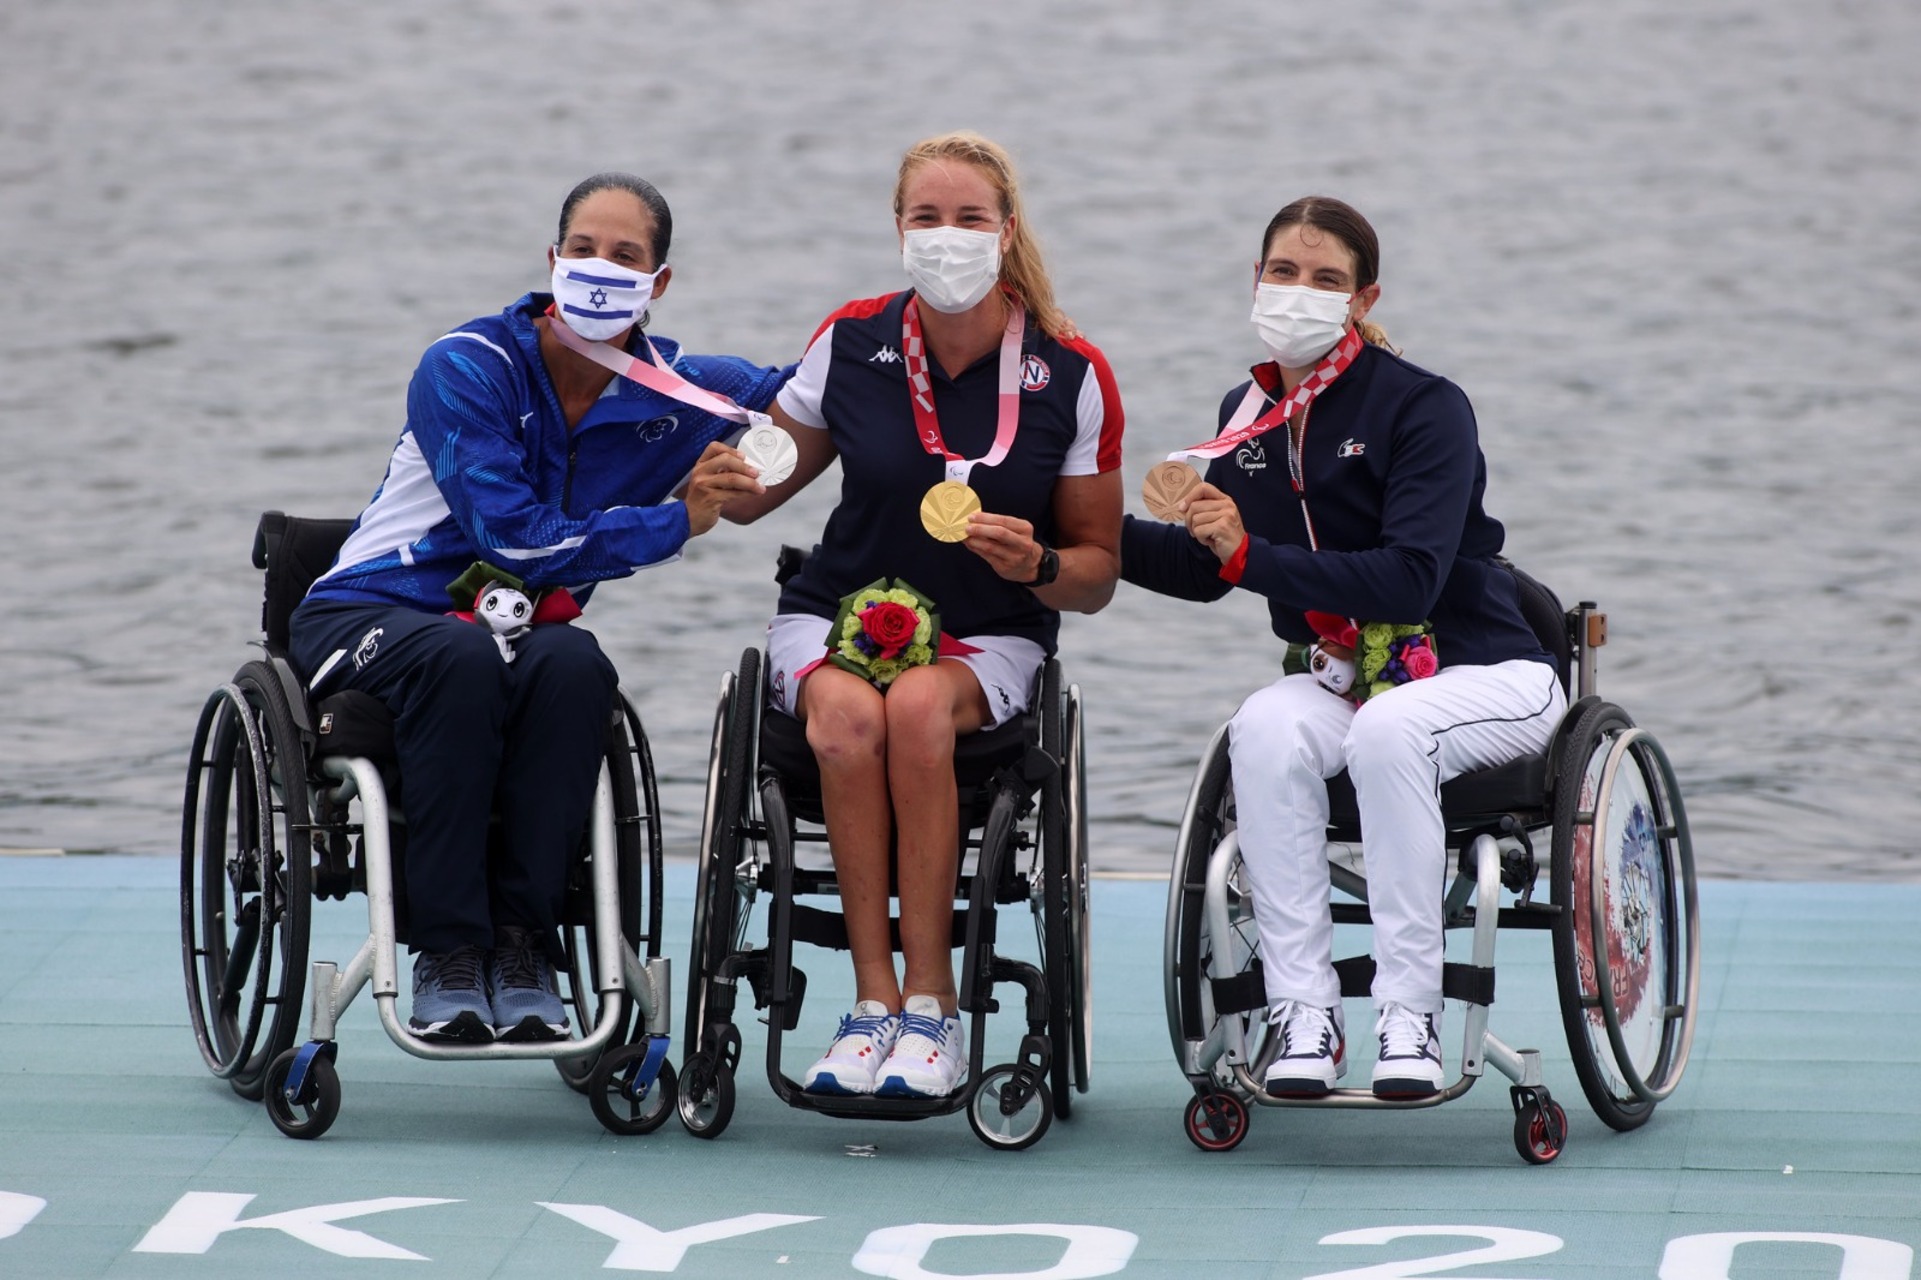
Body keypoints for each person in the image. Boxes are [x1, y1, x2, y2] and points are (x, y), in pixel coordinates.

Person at [289, 173, 788, 1044]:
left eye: (625, 256)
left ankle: (524, 946)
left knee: (576, 665)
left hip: (514, 633)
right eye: (584, 250)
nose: (600, 268)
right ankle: (446, 951)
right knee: (464, 658)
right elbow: (511, 543)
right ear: (553, 261)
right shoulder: (467, 365)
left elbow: (823, 390)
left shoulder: (683, 392)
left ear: (658, 283)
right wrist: (676, 521)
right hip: (367, 611)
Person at [1120, 196, 1564, 1098]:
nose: (1298, 292)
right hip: (1349, 684)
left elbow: (1406, 580)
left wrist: (1248, 554)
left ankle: (1410, 1013)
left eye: (1325, 279)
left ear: (1362, 299)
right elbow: (1215, 571)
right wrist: (1066, 537)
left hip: (1492, 675)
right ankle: (1303, 1013)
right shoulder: (1244, 415)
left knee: (1389, 731)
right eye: (1283, 272)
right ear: (1255, 281)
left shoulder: (1426, 407)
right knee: (1266, 724)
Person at [715, 132, 1124, 1098]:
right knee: (854, 712)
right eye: (926, 219)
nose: (948, 238)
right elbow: (752, 494)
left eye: (969, 219)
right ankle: (870, 1004)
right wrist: (716, 473)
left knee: (915, 709)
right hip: (837, 613)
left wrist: (1042, 564)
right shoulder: (851, 341)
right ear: (897, 231)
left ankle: (932, 1006)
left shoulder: (1069, 372)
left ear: (1006, 230)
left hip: (991, 631)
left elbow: (1097, 572)